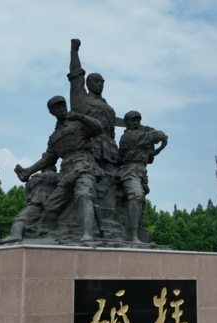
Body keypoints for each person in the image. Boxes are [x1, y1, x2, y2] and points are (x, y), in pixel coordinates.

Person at [14, 96, 103, 242]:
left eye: (63, 105)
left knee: (84, 194)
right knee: (51, 207)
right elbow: (49, 158)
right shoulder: (54, 137)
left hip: (84, 165)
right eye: (57, 107)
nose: (61, 109)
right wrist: (28, 171)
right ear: (52, 112)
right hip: (66, 173)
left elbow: (98, 128)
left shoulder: (78, 124)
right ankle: (52, 235)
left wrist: (80, 117)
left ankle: (87, 235)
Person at [68, 38, 121, 204]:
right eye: (96, 81)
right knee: (90, 179)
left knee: (111, 183)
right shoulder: (82, 99)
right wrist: (74, 51)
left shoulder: (106, 105)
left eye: (102, 82)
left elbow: (115, 122)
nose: (100, 84)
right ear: (89, 83)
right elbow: (76, 76)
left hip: (110, 149)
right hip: (90, 144)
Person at [117, 111, 168, 242]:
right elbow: (157, 135)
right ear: (126, 123)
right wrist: (154, 133)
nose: (136, 123)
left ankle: (135, 233)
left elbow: (151, 156)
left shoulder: (141, 137)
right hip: (129, 170)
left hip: (141, 172)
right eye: (133, 120)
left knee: (140, 205)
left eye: (138, 120)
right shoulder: (128, 137)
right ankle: (132, 236)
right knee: (136, 195)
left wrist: (159, 146)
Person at [3, 165, 60, 242]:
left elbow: (27, 195)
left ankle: (16, 236)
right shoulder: (60, 177)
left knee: (20, 219)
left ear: (43, 169)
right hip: (56, 205)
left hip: (36, 203)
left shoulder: (35, 178)